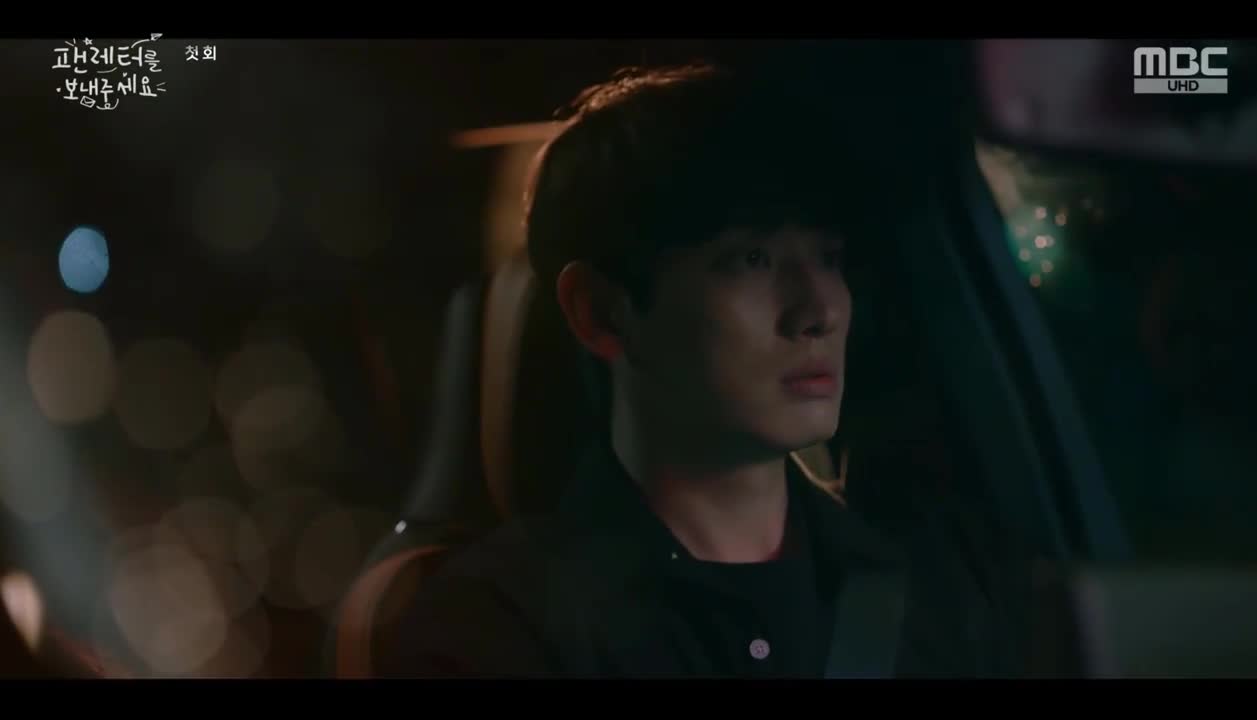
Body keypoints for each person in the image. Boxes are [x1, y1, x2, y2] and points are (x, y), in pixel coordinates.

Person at [387, 63, 1026, 678]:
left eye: (829, 257)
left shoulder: (929, 598)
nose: (819, 311)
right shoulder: (500, 627)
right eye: (751, 258)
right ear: (603, 313)